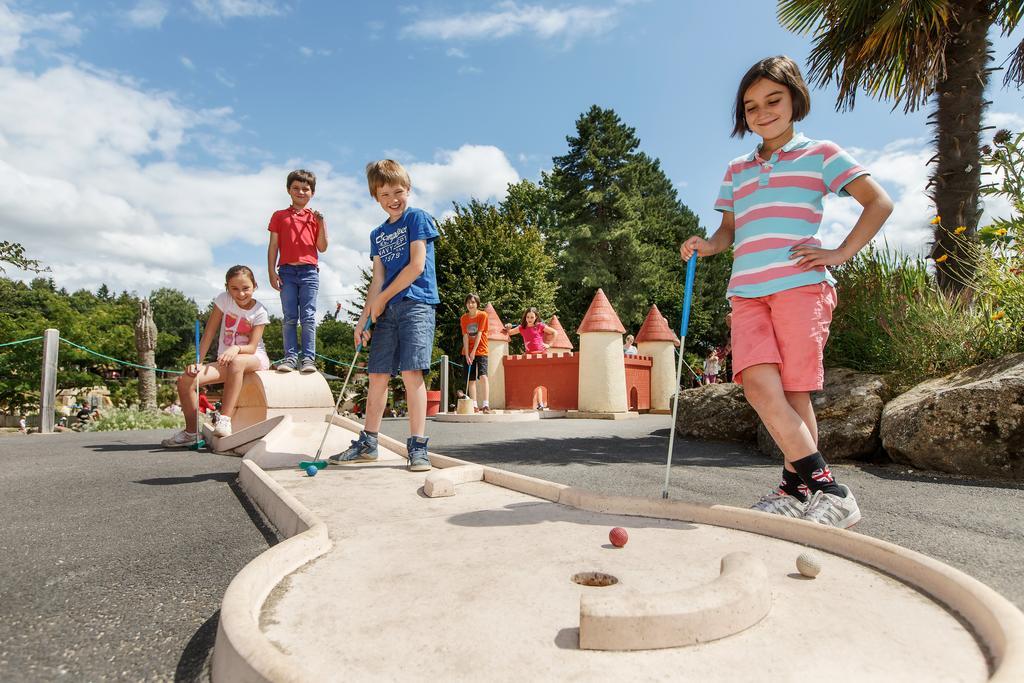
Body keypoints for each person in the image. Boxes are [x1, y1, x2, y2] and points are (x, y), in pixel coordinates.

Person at [680, 55, 892, 528]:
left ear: (795, 99)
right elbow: (727, 232)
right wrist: (707, 245)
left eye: (773, 99)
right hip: (747, 292)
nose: (763, 111)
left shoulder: (821, 153)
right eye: (751, 106)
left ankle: (798, 491)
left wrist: (839, 252)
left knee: (794, 394)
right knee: (758, 384)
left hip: (800, 287)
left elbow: (879, 202)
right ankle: (826, 490)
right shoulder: (737, 169)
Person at [329, 160, 439, 471]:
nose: (393, 198)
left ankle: (418, 447)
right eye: (384, 193)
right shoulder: (377, 234)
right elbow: (377, 280)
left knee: (410, 372)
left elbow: (416, 266)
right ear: (375, 196)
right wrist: (365, 318)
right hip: (386, 310)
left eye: (398, 191)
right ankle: (368, 443)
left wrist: (383, 300)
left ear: (408, 190)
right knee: (377, 375)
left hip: (416, 304)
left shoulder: (417, 218)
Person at [161, 265, 271, 446]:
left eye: (246, 288)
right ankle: (190, 433)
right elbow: (209, 333)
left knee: (236, 362)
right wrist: (198, 362)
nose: (241, 294)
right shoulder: (224, 300)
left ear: (254, 286)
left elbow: (251, 347)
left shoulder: (260, 311)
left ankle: (225, 419)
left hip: (253, 358)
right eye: (234, 288)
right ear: (227, 288)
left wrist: (236, 348)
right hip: (227, 360)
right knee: (185, 380)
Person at [268, 169, 329, 374]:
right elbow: (273, 245)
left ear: (312, 192)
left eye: (305, 189)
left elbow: (322, 247)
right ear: (288, 190)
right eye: (296, 188)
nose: (300, 192)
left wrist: (321, 223)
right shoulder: (279, 216)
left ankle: (309, 359)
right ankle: (291, 357)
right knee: (290, 316)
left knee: (309, 316)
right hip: (286, 271)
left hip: (309, 272)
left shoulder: (315, 217)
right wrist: (271, 271)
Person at [505, 308, 557, 409]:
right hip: (529, 356)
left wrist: (549, 345)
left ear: (536, 317)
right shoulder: (521, 327)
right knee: (533, 379)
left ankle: (541, 403)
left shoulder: (540, 326)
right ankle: (539, 403)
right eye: (528, 317)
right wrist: (508, 327)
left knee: (539, 379)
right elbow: (509, 333)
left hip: (540, 355)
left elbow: (555, 332)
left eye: (532, 317)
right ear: (525, 317)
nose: (529, 319)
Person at [460, 293, 491, 414]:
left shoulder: (483, 315)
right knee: (471, 380)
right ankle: (474, 405)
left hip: (481, 350)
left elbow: (479, 333)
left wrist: (473, 353)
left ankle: (486, 405)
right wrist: (467, 354)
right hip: (468, 352)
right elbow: (465, 336)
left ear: (477, 303)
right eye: (468, 302)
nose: (470, 304)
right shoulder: (463, 318)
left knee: (483, 376)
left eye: (473, 302)